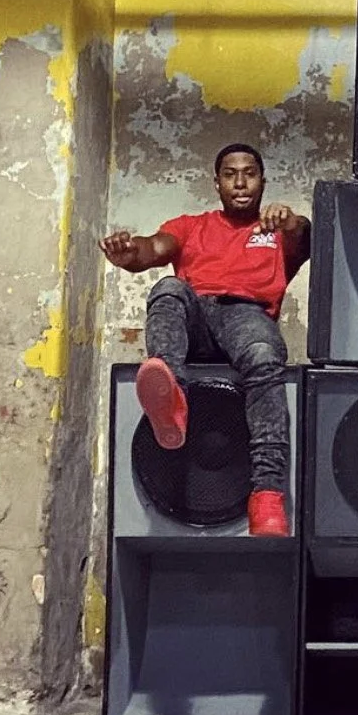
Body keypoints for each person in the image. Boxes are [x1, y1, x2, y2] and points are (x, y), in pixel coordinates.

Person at [99, 144, 310, 538]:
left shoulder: (277, 232)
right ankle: (171, 399)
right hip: (195, 319)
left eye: (250, 172)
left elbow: (304, 236)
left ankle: (267, 494)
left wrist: (291, 221)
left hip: (246, 316)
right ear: (217, 183)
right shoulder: (191, 225)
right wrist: (130, 253)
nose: (241, 181)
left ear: (263, 181)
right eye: (230, 173)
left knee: (265, 357)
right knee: (168, 288)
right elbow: (154, 248)